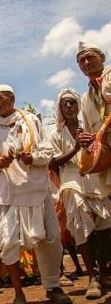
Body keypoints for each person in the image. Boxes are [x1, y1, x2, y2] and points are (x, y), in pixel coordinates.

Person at [0, 85, 72, 304]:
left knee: (50, 239)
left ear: (12, 98)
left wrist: (33, 158)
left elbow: (47, 150)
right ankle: (18, 293)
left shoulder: (31, 120)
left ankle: (53, 287)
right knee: (9, 242)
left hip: (37, 189)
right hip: (8, 193)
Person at [49, 88, 111, 299]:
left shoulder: (89, 127)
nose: (69, 107)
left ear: (78, 106)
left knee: (104, 226)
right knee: (81, 227)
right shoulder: (56, 134)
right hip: (71, 182)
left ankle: (103, 274)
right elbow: (53, 162)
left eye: (72, 103)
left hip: (94, 179)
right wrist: (76, 148)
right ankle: (91, 277)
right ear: (60, 108)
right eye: (65, 103)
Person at [75, 41, 111, 289]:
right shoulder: (85, 97)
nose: (86, 63)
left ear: (102, 57)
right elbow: (88, 129)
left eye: (90, 58)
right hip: (106, 158)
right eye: (81, 61)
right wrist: (85, 138)